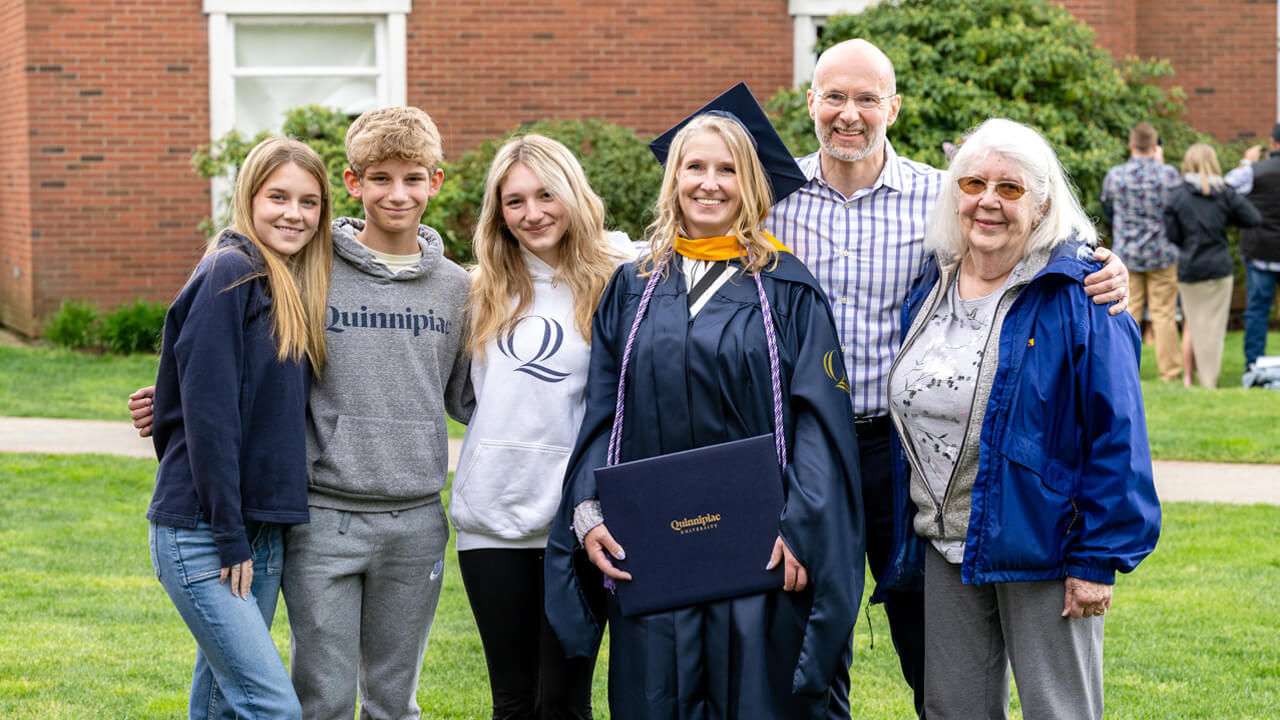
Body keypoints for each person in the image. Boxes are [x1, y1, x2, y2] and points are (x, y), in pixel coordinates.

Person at [763, 38, 1130, 717]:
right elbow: (685, 233)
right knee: (803, 640)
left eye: (867, 98)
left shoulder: (944, 197)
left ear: (893, 107)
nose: (850, 113)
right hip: (805, 453)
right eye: (834, 96)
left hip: (899, 457)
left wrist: (1101, 267)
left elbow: (1032, 235)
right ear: (810, 101)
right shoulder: (767, 201)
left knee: (933, 652)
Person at [133, 106, 473, 720]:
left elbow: (470, 396)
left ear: (436, 182)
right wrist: (178, 397)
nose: (397, 194)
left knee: (386, 701)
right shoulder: (301, 269)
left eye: (413, 178)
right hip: (317, 515)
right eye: (380, 178)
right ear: (354, 182)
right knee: (311, 701)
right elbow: (225, 364)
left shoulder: (454, 287)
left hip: (405, 515)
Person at [545, 93, 865, 719]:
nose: (709, 184)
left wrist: (802, 527)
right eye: (695, 167)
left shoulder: (787, 289)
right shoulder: (633, 286)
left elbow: (820, 429)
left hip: (759, 547)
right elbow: (603, 412)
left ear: (751, 183)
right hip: (655, 548)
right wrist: (587, 512)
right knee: (655, 696)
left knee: (756, 695)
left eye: (727, 170)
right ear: (674, 178)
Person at [886, 118, 1161, 720]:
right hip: (945, 543)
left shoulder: (1080, 293)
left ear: (1041, 205)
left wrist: (1096, 560)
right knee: (952, 710)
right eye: (973, 183)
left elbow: (1118, 435)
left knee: (1057, 710)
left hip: (1044, 543)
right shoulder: (930, 285)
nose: (987, 201)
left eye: (1009, 190)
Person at [146, 136, 332, 720]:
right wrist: (228, 531)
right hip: (209, 532)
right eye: (277, 196)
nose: (293, 214)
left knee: (226, 704)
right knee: (273, 707)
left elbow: (231, 391)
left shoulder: (287, 282)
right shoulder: (231, 271)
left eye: (309, 202)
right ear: (249, 197)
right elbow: (210, 417)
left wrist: (166, 401)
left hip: (264, 531)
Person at [454, 134, 633, 719]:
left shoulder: (621, 278)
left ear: (574, 195)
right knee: (512, 701)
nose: (532, 214)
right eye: (514, 202)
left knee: (563, 702)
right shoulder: (476, 289)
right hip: (491, 521)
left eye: (546, 195)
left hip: (580, 524)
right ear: (498, 212)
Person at [1163, 143, 1262, 388]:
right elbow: (1252, 218)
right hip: (1218, 267)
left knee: (1192, 323)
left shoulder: (1177, 195)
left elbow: (1172, 235)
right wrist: (1227, 218)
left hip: (1190, 267)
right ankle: (1209, 381)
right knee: (1213, 328)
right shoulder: (1225, 193)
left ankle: (1187, 378)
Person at [1101, 122, 1183, 382]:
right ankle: (1169, 372)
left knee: (1126, 311)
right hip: (1163, 253)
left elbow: (1108, 209)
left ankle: (1124, 369)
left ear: (1131, 144)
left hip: (1127, 255)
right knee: (1164, 313)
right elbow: (1179, 210)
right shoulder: (1169, 174)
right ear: (1155, 145)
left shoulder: (1116, 175)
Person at [1239, 124, 1280, 370]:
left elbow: (1226, 190)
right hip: (1263, 251)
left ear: (1272, 143)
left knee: (1257, 310)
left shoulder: (1256, 171)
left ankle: (1254, 364)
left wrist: (1246, 163)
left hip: (1260, 251)